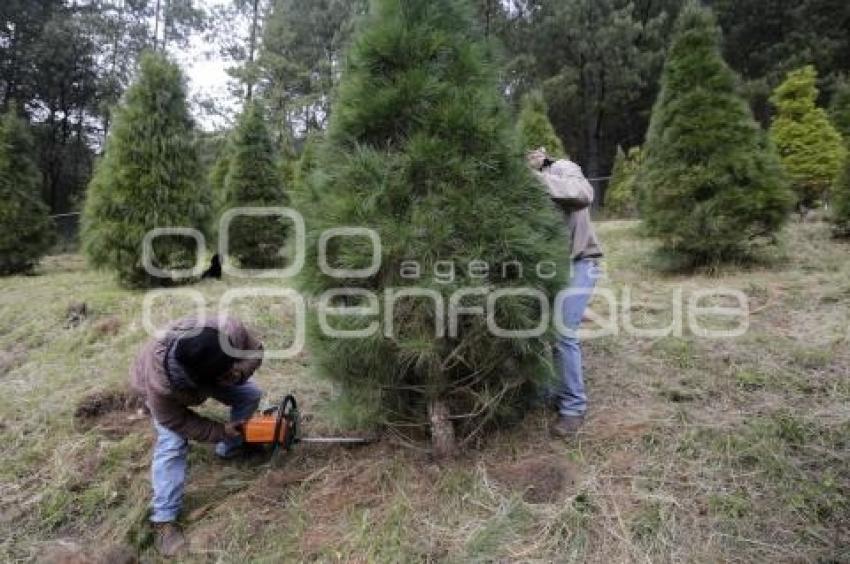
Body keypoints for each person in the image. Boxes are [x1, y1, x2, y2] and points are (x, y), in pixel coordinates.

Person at [130, 315, 264, 556]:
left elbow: (255, 350)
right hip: (163, 390)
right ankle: (164, 519)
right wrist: (219, 431)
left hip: (207, 373)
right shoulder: (160, 384)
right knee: (172, 443)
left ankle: (231, 447)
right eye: (228, 369)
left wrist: (238, 373)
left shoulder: (228, 330)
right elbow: (177, 420)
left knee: (250, 394)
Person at [527, 147, 603, 439]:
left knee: (561, 331)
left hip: (580, 263)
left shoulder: (563, 169)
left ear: (541, 155)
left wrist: (535, 178)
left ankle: (573, 406)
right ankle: (547, 391)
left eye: (532, 152)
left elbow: (583, 194)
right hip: (546, 268)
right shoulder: (517, 187)